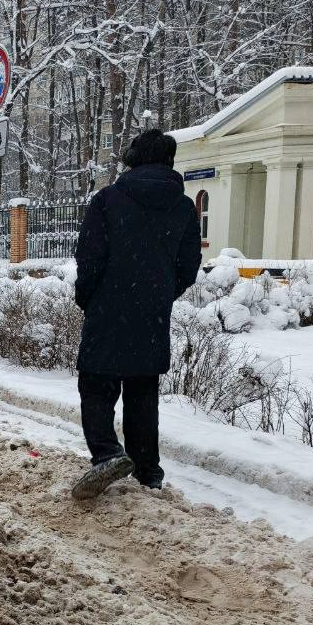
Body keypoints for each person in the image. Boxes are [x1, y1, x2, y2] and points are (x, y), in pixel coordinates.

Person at [71, 128, 201, 500]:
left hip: (107, 308)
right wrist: (160, 294)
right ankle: (148, 471)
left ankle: (108, 453)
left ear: (133, 159)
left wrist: (88, 297)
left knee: (97, 385)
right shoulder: (183, 207)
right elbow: (189, 265)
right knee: (143, 390)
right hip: (151, 314)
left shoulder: (108, 200)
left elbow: (89, 258)